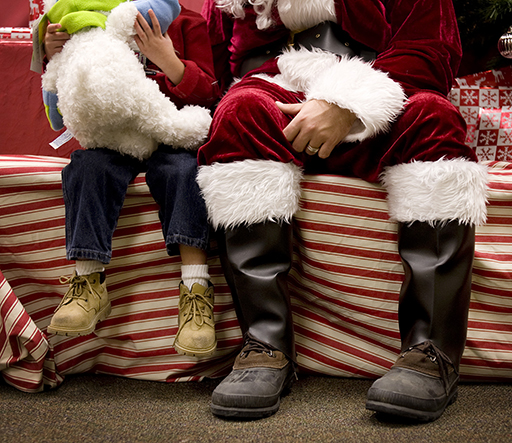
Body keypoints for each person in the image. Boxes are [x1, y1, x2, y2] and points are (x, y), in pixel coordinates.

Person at [196, 0, 489, 421]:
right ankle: (265, 347)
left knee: (434, 116)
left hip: (383, 86)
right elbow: (212, 71)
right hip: (277, 87)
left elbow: (430, 50)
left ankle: (431, 352)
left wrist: (346, 102)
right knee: (239, 113)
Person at [34, 1, 220, 357]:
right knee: (86, 166)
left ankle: (196, 290)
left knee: (185, 171)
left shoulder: (187, 21)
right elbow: (66, 83)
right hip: (113, 136)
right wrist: (52, 50)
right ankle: (87, 280)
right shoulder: (86, 16)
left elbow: (209, 91)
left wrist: (169, 60)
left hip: (170, 131)